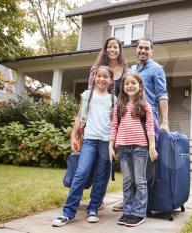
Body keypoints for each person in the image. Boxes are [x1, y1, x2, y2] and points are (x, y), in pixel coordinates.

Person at [52, 66, 116, 227]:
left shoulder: (114, 100)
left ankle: (93, 208)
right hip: (89, 140)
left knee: (102, 176)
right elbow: (80, 117)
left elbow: (116, 123)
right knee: (81, 173)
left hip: (106, 142)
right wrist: (74, 135)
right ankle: (68, 212)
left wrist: (114, 145)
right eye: (99, 76)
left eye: (105, 77)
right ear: (94, 78)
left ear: (111, 80)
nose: (101, 79)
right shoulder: (87, 95)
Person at [112, 37, 170, 212]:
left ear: (151, 51)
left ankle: (143, 204)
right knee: (129, 169)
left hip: (147, 121)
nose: (143, 51)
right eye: (140, 48)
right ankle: (129, 202)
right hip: (130, 121)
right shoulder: (132, 69)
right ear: (136, 50)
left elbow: (162, 95)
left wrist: (165, 121)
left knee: (145, 167)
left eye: (146, 48)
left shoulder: (157, 69)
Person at [109, 72, 158, 227]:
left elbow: (150, 127)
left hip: (140, 148)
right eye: (126, 83)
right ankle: (128, 210)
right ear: (122, 87)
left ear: (140, 86)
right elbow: (114, 127)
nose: (130, 86)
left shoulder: (144, 105)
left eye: (133, 83)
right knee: (128, 181)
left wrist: (152, 147)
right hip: (123, 148)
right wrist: (111, 146)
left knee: (140, 180)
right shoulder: (119, 107)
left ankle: (138, 213)